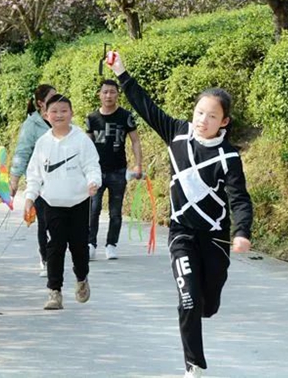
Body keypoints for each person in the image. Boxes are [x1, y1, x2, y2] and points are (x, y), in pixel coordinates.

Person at [105, 51, 252, 378]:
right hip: (182, 234)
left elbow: (239, 198)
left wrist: (241, 231)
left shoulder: (228, 157)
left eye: (212, 116)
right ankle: (194, 366)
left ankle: (203, 309)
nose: (203, 120)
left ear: (224, 121)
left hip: (214, 238)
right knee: (188, 301)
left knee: (207, 304)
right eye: (200, 112)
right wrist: (121, 72)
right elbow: (146, 107)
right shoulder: (176, 133)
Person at [23, 94, 101, 311]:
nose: (59, 115)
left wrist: (93, 181)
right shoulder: (43, 143)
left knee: (78, 247)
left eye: (63, 111)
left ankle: (82, 278)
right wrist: (30, 198)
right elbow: (34, 175)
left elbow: (92, 165)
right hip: (52, 203)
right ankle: (54, 292)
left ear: (71, 113)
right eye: (54, 111)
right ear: (46, 115)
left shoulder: (81, 140)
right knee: (55, 247)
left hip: (78, 201)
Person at [86, 79, 144, 260]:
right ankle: (90, 244)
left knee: (115, 211)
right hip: (96, 171)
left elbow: (135, 140)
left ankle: (111, 245)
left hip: (118, 171)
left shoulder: (126, 116)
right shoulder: (91, 118)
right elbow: (86, 145)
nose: (108, 95)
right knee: (93, 209)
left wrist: (138, 164)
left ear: (118, 94)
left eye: (112, 92)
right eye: (105, 92)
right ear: (99, 94)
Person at [10, 84, 57, 275]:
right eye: (52, 97)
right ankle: (45, 258)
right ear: (40, 103)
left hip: (62, 181)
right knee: (44, 222)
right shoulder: (32, 125)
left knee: (58, 223)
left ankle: (55, 257)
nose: (57, 100)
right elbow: (22, 152)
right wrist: (14, 179)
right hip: (40, 182)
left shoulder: (60, 118)